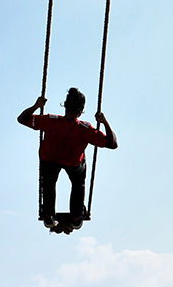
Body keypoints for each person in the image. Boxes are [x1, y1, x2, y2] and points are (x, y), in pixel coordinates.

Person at [17, 88, 118, 231]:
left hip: (49, 159)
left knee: (48, 183)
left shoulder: (51, 121)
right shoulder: (85, 129)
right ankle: (77, 217)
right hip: (73, 163)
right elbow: (112, 144)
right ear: (81, 111)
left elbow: (22, 119)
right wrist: (104, 121)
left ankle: (48, 215)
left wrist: (36, 106)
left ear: (65, 105)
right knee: (78, 184)